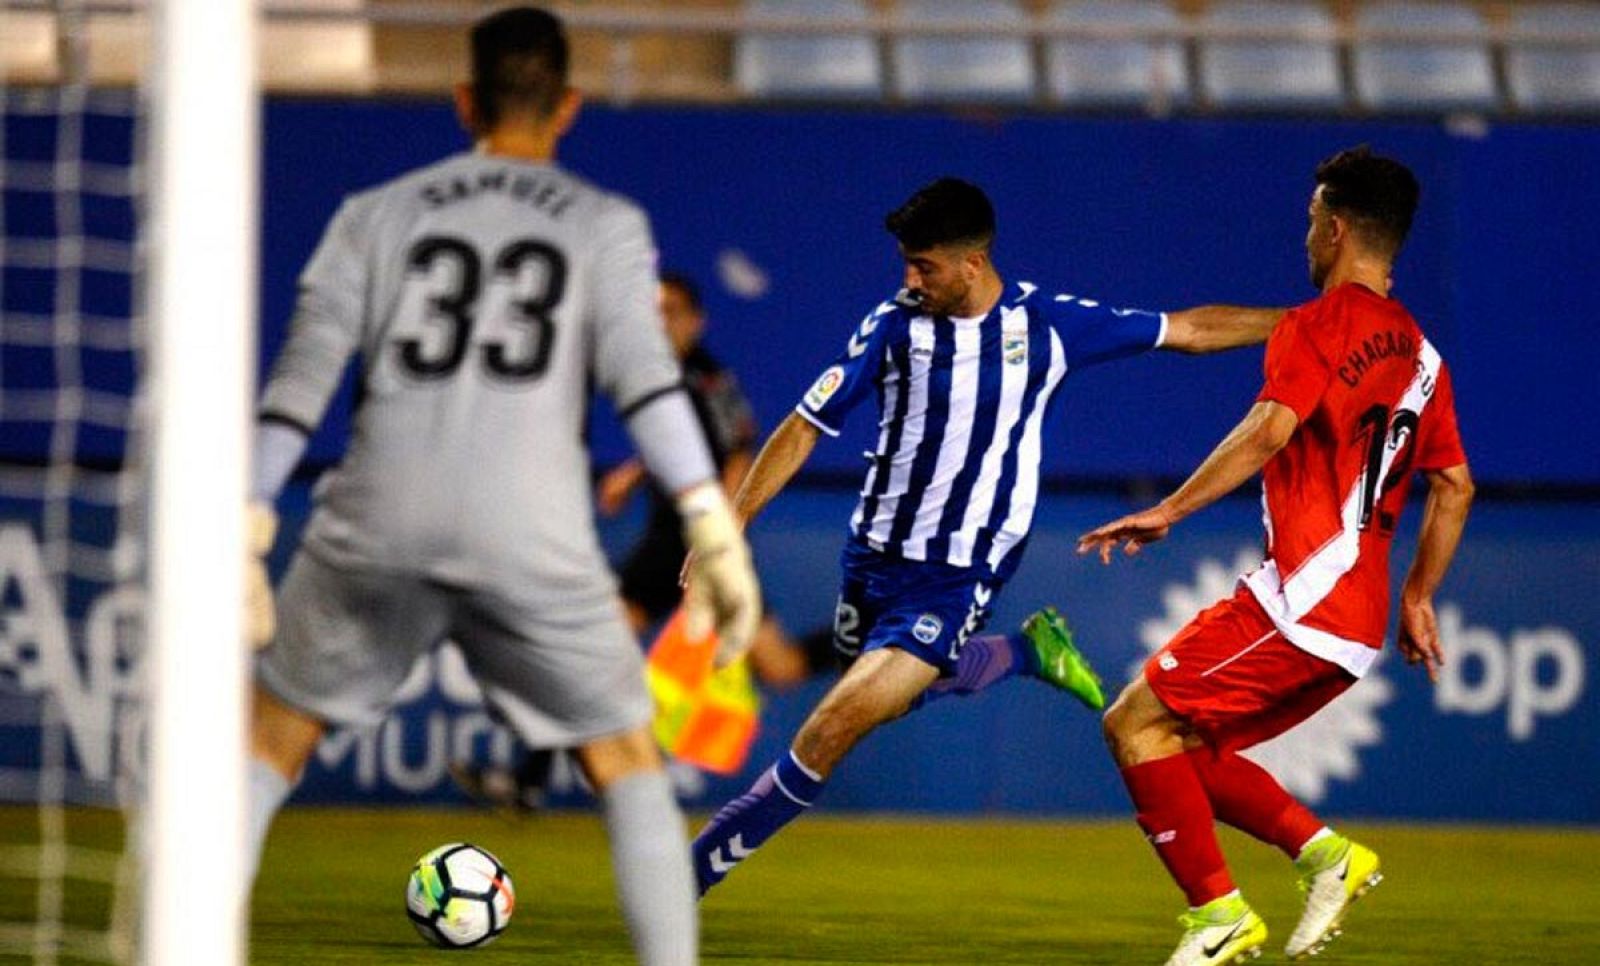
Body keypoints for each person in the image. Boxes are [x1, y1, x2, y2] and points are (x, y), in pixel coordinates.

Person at [242, 8, 760, 964]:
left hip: (377, 512)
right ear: (567, 106)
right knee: (625, 760)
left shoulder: (374, 213)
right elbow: (648, 391)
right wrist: (709, 525)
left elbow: (300, 382)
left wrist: (250, 512)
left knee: (269, 738)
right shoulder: (608, 226)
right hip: (533, 528)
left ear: (464, 100)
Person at [690, 177, 1283, 898]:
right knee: (887, 694)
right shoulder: (893, 325)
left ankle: (682, 882)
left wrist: (1307, 323)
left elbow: (1187, 330)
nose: (910, 281)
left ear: (973, 264)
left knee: (832, 725)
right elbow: (804, 425)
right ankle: (1023, 652)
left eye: (924, 266)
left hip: (959, 570)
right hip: (871, 556)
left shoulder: (1049, 326)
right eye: (906, 265)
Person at [1078, 146, 1472, 965]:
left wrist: (1170, 508)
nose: (1304, 237)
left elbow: (1268, 429)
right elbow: (1456, 486)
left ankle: (1218, 915)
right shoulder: (1424, 360)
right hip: (1353, 627)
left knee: (1134, 724)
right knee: (1184, 744)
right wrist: (1420, 597)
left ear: (1333, 229)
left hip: (1302, 602)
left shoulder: (1318, 329)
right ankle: (1328, 858)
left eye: (1308, 222)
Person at [451, 272, 831, 812]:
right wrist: (631, 475)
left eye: (673, 310)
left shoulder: (707, 379)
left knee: (782, 667)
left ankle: (870, 638)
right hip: (661, 547)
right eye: (653, 310)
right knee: (589, 653)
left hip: (699, 543)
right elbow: (674, 445)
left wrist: (720, 530)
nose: (661, 321)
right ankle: (525, 780)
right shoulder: (659, 375)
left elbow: (740, 453)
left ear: (696, 322)